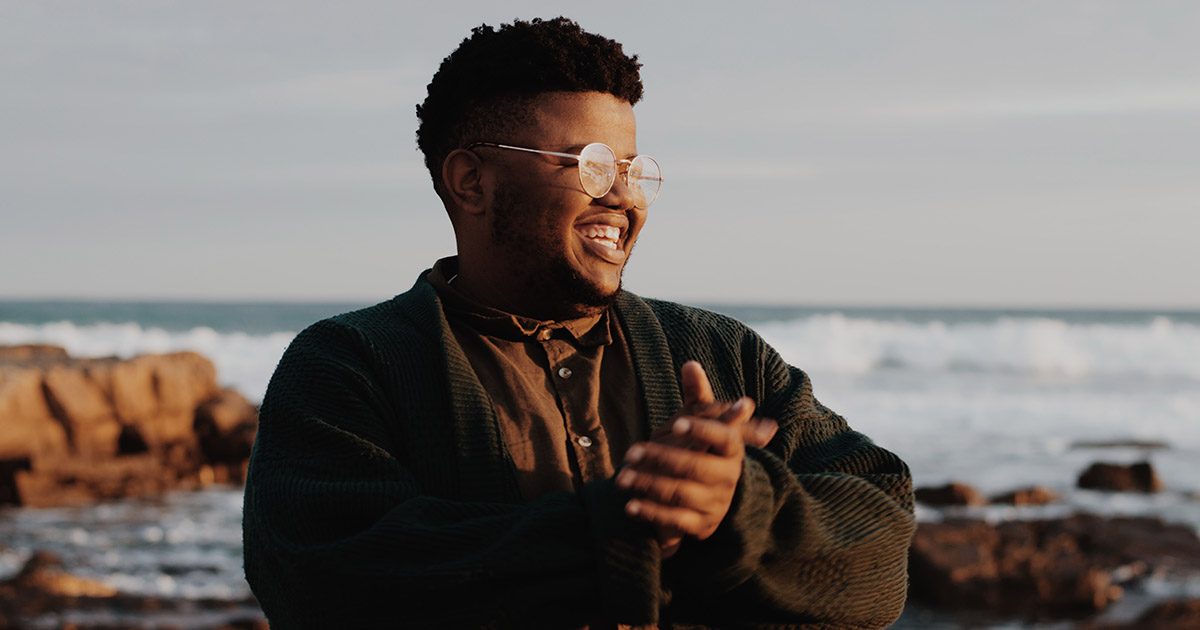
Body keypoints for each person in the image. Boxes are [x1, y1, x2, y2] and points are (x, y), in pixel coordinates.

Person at [243, 17, 915, 630]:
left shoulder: (723, 355)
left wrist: (739, 511)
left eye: (631, 169)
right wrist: (638, 527)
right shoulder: (349, 365)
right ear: (471, 182)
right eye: (591, 165)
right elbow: (326, 581)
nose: (622, 196)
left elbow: (880, 549)